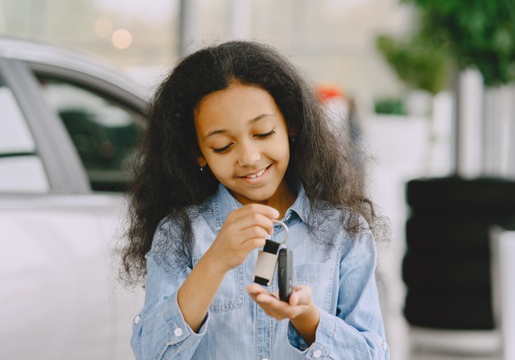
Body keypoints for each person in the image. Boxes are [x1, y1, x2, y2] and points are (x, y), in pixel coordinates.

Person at [120, 41, 389, 359]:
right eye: (222, 146)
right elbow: (152, 353)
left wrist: (309, 321)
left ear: (291, 125)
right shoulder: (179, 234)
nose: (248, 157)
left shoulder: (343, 231)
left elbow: (374, 354)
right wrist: (214, 262)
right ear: (198, 153)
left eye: (262, 133)